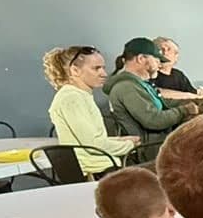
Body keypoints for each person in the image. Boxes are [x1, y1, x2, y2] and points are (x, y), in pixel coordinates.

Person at [41, 46, 134, 176]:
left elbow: (93, 139)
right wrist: (130, 145)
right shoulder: (71, 99)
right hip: (97, 172)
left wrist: (120, 140)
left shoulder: (80, 96)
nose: (104, 74)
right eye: (96, 68)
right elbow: (93, 146)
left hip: (104, 167)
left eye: (103, 68)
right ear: (75, 70)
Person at [103, 37, 191, 160]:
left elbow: (162, 103)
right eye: (156, 59)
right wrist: (184, 111)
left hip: (159, 141)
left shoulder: (140, 84)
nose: (159, 64)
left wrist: (192, 102)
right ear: (141, 59)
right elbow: (154, 120)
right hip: (149, 148)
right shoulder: (127, 88)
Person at [151, 37, 203, 101]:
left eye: (169, 49)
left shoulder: (179, 75)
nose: (165, 53)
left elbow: (193, 93)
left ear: (176, 57)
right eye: (162, 49)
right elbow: (153, 92)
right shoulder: (150, 74)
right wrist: (189, 96)